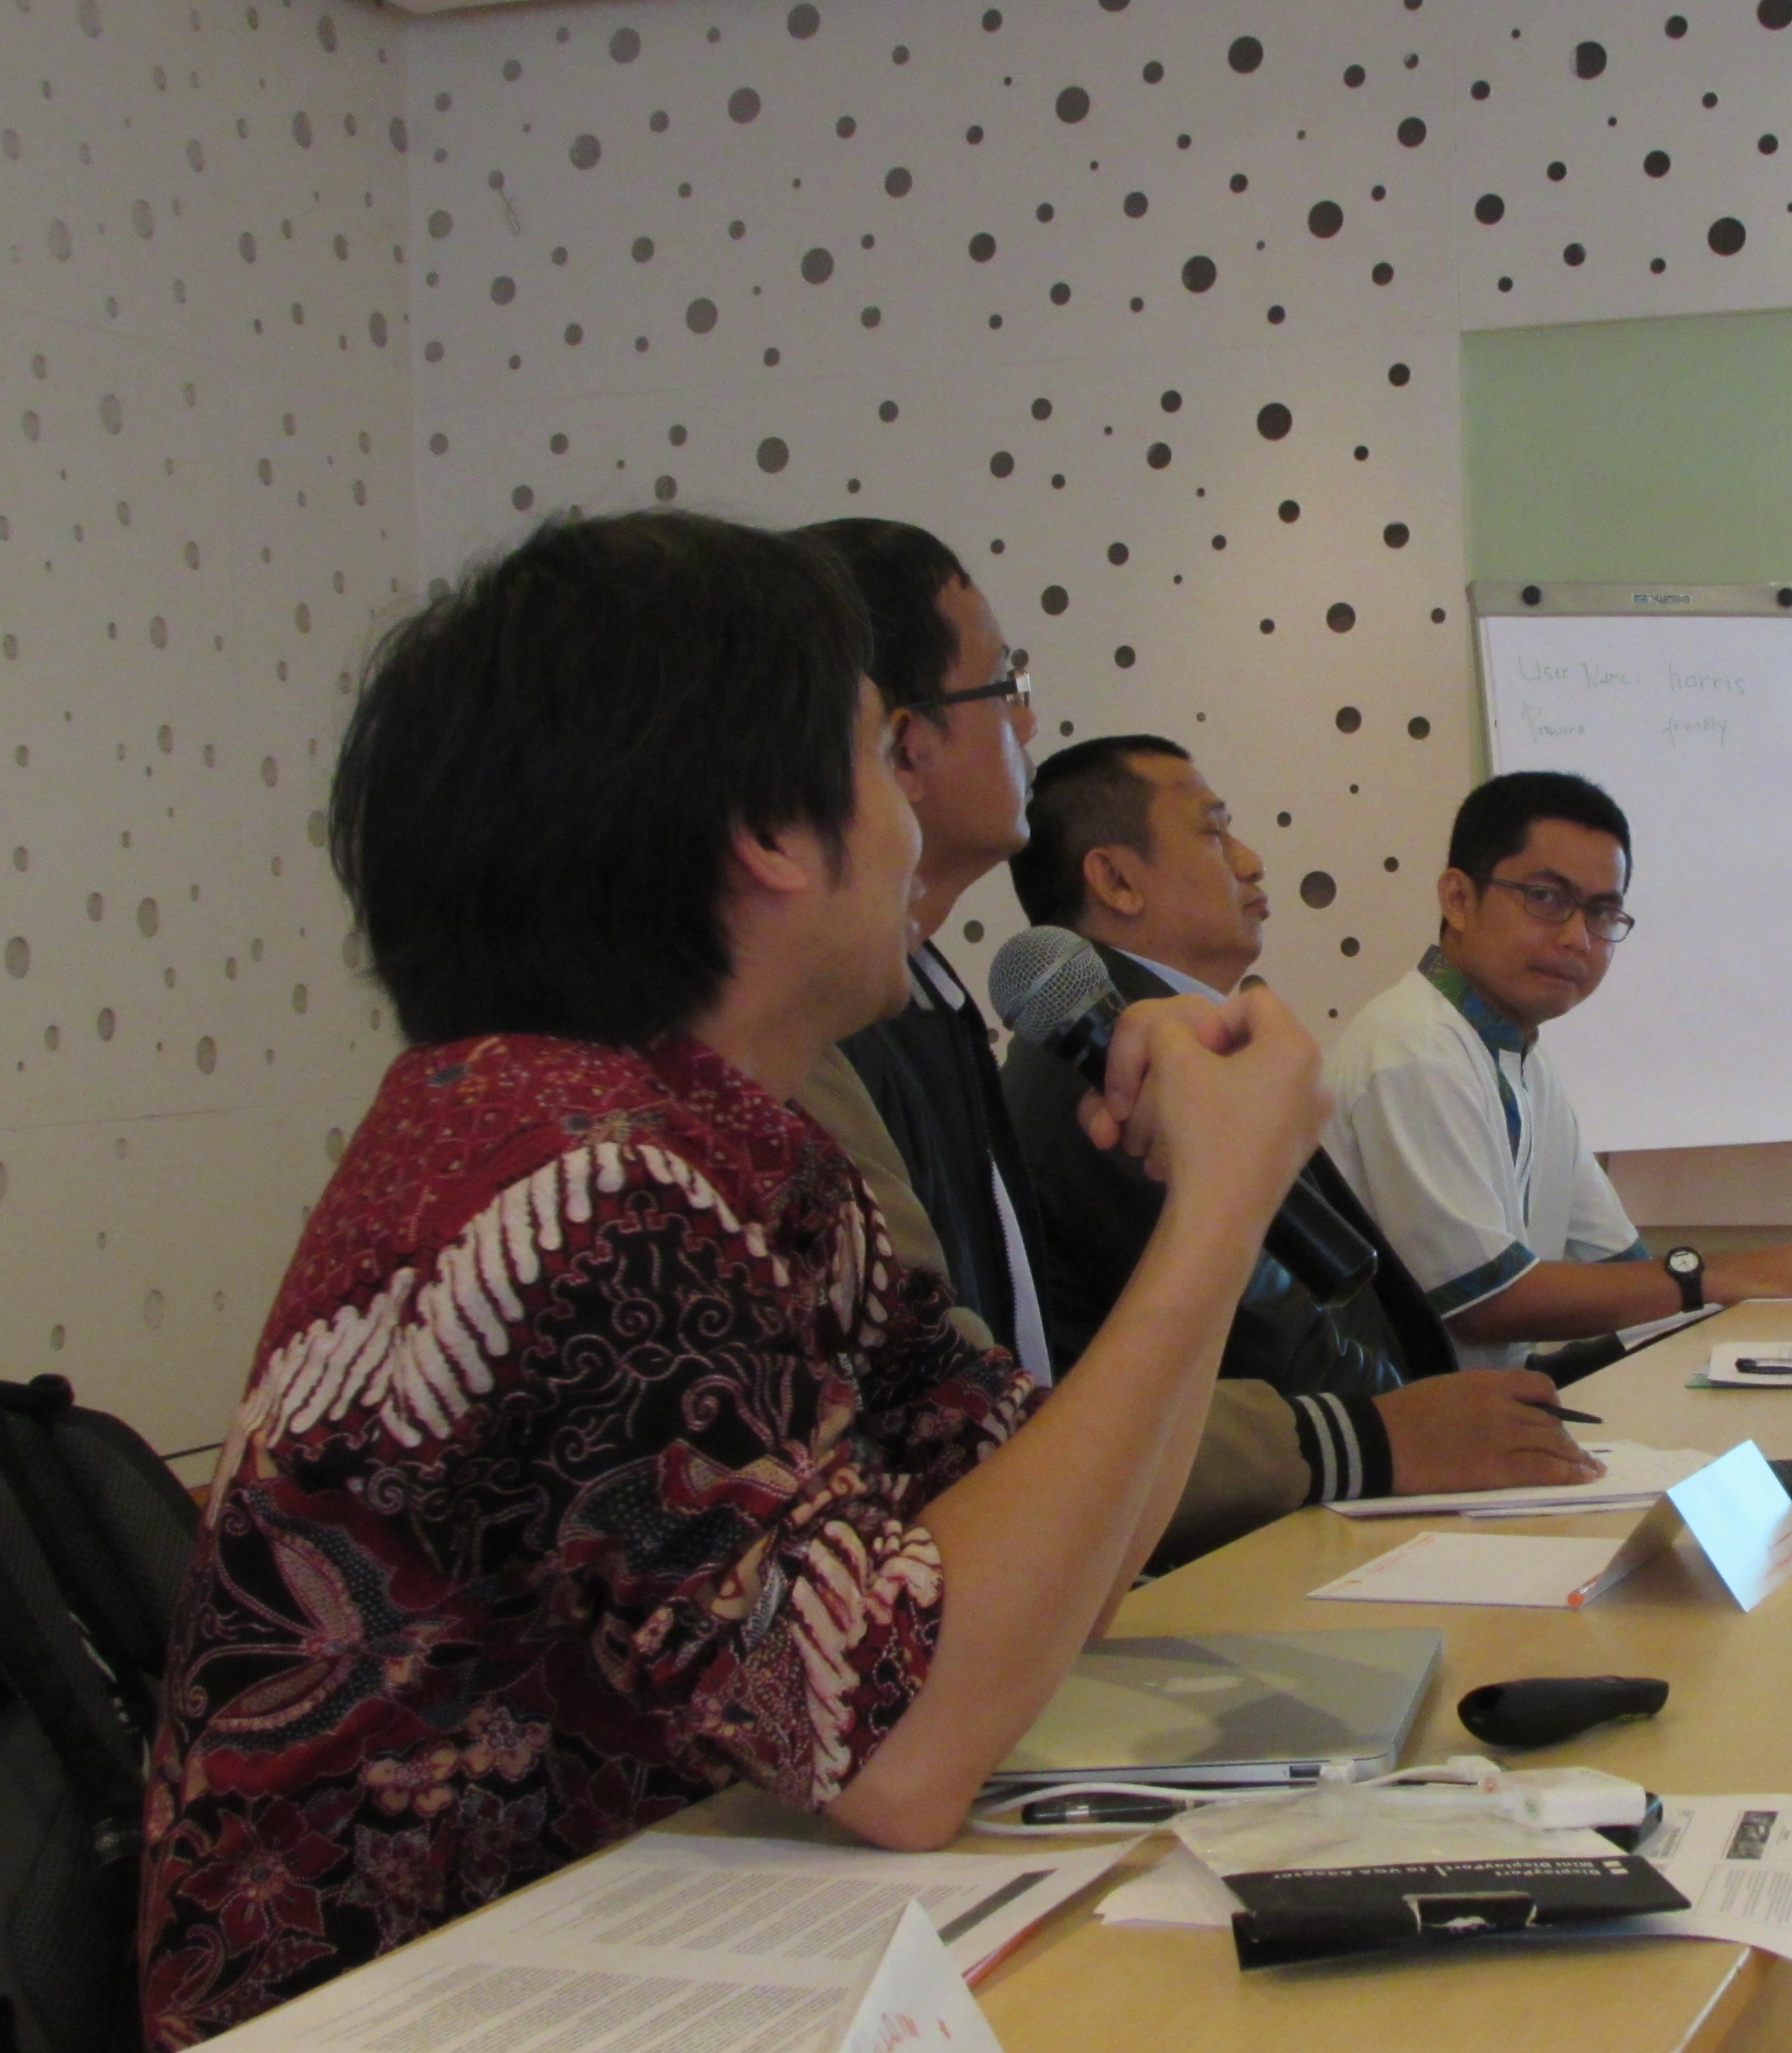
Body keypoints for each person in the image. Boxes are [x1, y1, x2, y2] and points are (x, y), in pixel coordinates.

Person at [136, 513, 1323, 2047]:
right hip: (432, 2015)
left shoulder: (722, 1144)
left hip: (634, 1952)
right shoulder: (567, 1182)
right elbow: (899, 1752)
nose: (913, 816)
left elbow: (1053, 1548)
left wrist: (1211, 1189)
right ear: (767, 830)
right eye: (879, 755)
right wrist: (1218, 1214)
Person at [796, 521, 1572, 1552]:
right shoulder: (841, 1048)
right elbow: (957, 1442)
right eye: (1005, 684)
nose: (1029, 720)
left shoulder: (936, 1001)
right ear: (900, 746)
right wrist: (1368, 1436)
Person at [999, 733, 1605, 1501]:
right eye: (1214, 832)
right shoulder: (1115, 1068)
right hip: (1279, 1502)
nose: (1251, 861)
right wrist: (1423, 1434)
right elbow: (1273, 1342)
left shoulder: (1162, 1036)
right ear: (1117, 879)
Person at [1323, 771, 1792, 1371]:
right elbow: (1487, 1304)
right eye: (1546, 898)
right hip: (1402, 1416)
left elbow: (1624, 1271)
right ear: (1459, 899)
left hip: (1486, 1400)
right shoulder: (1412, 1051)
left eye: (1602, 912)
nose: (1578, 938)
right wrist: (1714, 1274)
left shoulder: (1519, 1057)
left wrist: (1768, 1283)